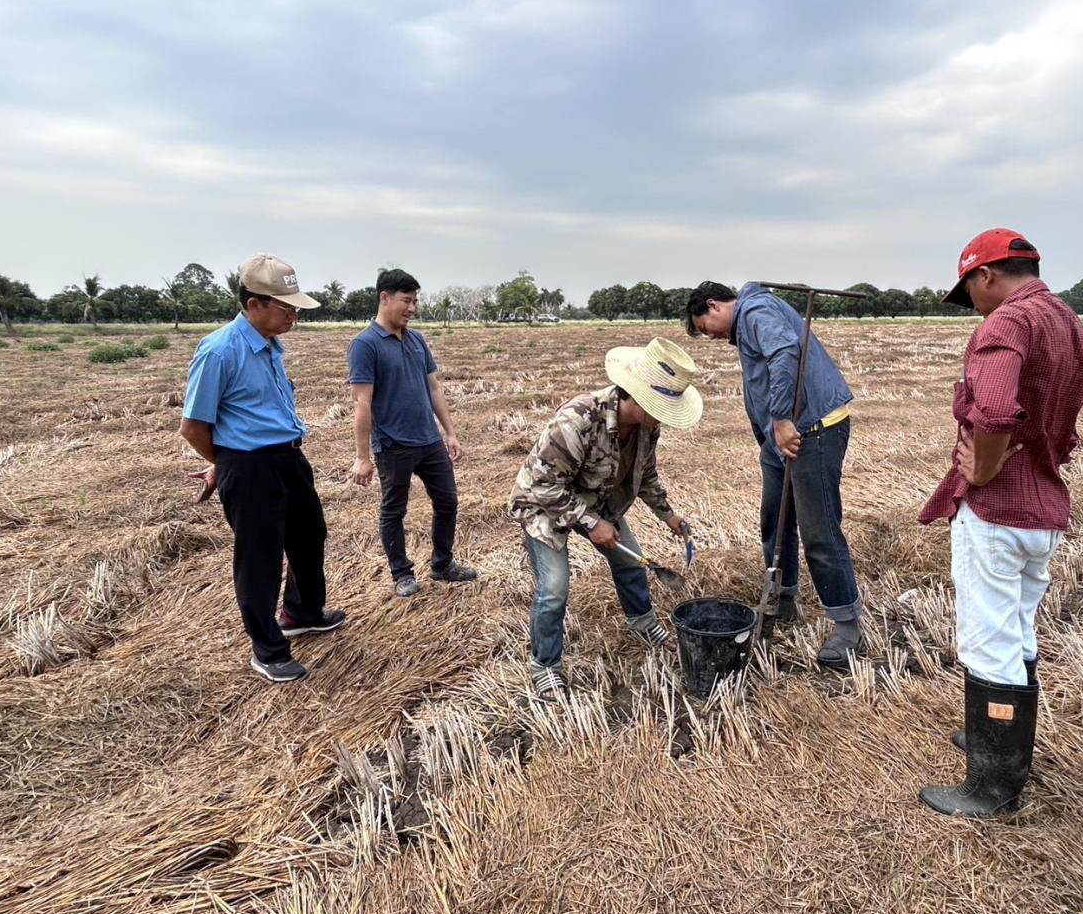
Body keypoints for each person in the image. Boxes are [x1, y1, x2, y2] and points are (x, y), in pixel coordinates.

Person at [917, 228, 1083, 818]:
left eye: (967, 288)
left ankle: (992, 787)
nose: (969, 302)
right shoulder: (1069, 323)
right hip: (1042, 507)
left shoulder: (1005, 324)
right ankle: (1002, 743)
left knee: (988, 640)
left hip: (997, 513)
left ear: (984, 275)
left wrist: (986, 469)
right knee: (1018, 631)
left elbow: (993, 409)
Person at [180, 254, 345, 683]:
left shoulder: (272, 345)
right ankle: (268, 649)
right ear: (254, 304)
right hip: (251, 468)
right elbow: (193, 426)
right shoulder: (219, 351)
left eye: (294, 308)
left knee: (310, 537)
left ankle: (303, 612)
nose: (293, 315)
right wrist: (228, 464)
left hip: (289, 457)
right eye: (285, 307)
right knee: (260, 558)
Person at [508, 337, 702, 701]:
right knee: (554, 590)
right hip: (545, 506)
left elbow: (646, 476)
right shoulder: (578, 419)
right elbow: (542, 485)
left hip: (599, 503)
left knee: (631, 562)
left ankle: (642, 622)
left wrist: (669, 516)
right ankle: (545, 666)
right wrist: (591, 523)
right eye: (662, 405)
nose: (664, 415)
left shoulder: (647, 426)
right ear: (638, 396)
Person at [683, 282, 863, 669]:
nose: (710, 336)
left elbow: (785, 352)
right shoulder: (750, 316)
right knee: (775, 521)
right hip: (780, 438)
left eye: (705, 327)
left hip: (811, 427)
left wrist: (781, 418)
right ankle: (781, 600)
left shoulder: (754, 311)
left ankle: (847, 625)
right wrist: (770, 432)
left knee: (819, 530)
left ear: (713, 306)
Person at [348, 269, 477, 596]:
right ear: (385, 298)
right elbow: (362, 402)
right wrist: (362, 458)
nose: (412, 308)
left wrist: (450, 432)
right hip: (393, 444)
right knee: (394, 509)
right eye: (407, 300)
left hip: (429, 440)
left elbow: (433, 388)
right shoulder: (365, 345)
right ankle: (402, 572)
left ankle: (442, 564)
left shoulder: (417, 339)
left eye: (415, 301)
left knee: (448, 501)